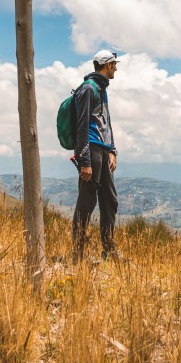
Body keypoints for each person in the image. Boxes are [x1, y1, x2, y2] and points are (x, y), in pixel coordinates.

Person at [72, 49, 120, 261]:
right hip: (90, 150)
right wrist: (85, 161)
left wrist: (112, 150)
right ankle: (78, 253)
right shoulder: (88, 89)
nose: (116, 68)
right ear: (108, 64)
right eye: (115, 64)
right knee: (87, 202)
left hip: (102, 150)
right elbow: (82, 126)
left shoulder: (101, 89)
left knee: (109, 201)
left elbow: (106, 123)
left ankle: (108, 250)